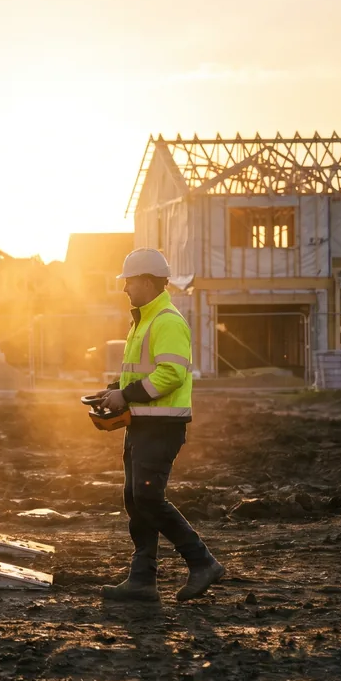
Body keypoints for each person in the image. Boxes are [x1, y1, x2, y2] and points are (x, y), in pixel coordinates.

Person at [98, 247, 224, 602]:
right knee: (135, 499)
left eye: (129, 281)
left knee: (148, 497)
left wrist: (126, 394)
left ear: (147, 281)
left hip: (162, 427)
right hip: (142, 425)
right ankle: (142, 580)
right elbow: (141, 373)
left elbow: (170, 375)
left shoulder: (167, 321)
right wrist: (114, 390)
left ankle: (202, 562)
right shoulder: (144, 320)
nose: (124, 288)